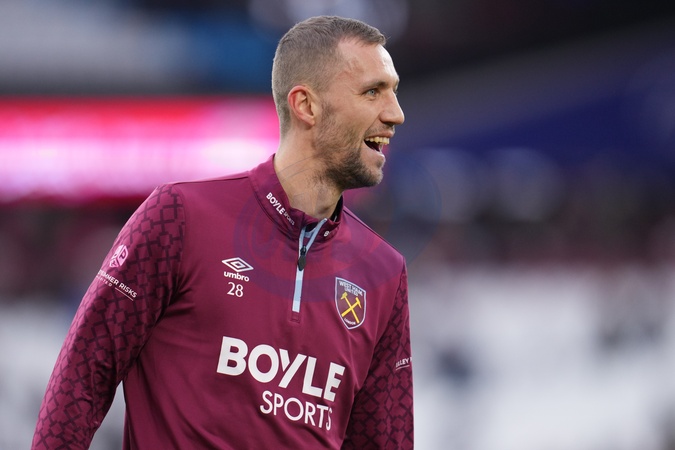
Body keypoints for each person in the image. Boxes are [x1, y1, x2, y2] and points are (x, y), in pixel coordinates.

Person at [32, 15, 413, 449]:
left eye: (394, 91)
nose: (395, 114)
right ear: (306, 105)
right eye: (372, 92)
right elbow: (82, 374)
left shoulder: (384, 272)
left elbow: (385, 441)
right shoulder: (179, 217)